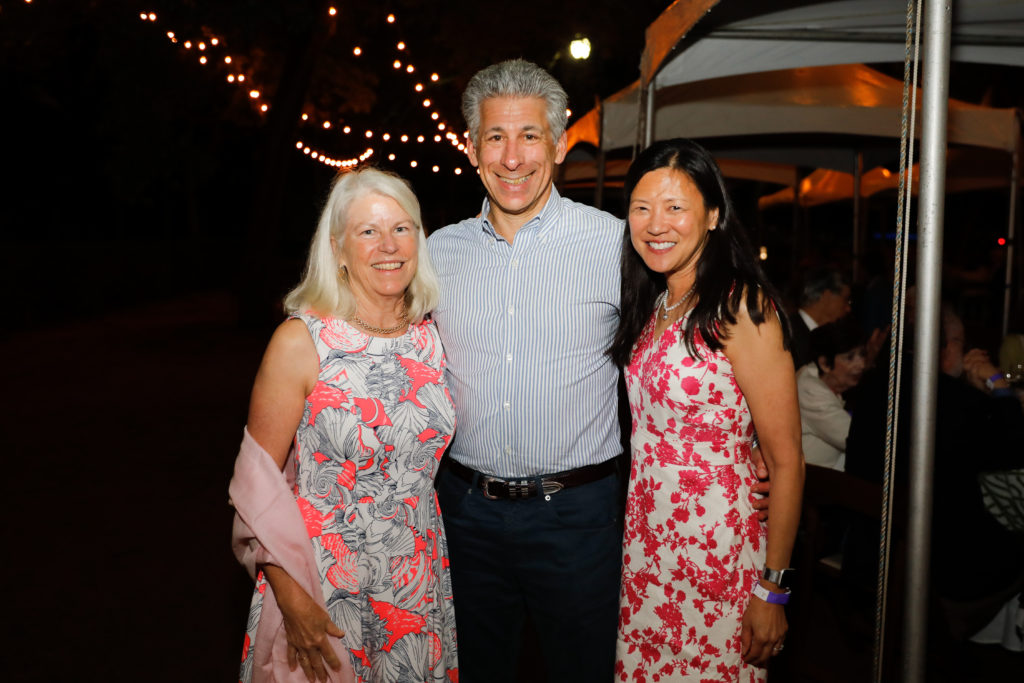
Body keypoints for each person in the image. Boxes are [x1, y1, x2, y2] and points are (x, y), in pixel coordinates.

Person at [230, 168, 458, 683]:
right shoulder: (300, 341)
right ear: (337, 249)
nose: (389, 246)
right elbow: (256, 487)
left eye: (402, 228)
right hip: (323, 583)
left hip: (413, 580)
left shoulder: (432, 339)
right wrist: (293, 601)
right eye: (368, 231)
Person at [608, 138, 804, 681]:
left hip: (716, 551)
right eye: (642, 208)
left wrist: (774, 588)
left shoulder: (740, 305)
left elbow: (787, 460)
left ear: (713, 215)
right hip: (648, 548)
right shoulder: (654, 302)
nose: (656, 224)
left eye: (675, 208)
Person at [796, 318, 867, 470]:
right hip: (815, 486)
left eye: (862, 354)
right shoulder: (810, 391)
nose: (861, 364)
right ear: (825, 363)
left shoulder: (824, 382)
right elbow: (858, 442)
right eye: (850, 357)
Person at [789, 268, 852, 368]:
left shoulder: (828, 335)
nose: (848, 308)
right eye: (845, 300)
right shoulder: (790, 333)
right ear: (827, 296)